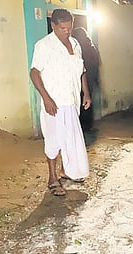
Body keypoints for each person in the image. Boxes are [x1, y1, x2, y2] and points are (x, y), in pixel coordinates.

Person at [30, 9, 91, 196]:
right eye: (62, 28)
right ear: (53, 25)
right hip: (54, 103)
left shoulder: (75, 43)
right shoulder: (44, 45)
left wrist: (85, 94)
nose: (66, 31)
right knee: (53, 140)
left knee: (70, 138)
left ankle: (67, 171)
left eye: (69, 27)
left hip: (71, 100)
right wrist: (46, 98)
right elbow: (34, 72)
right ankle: (52, 178)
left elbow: (81, 71)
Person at [72, 27, 100, 131]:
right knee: (88, 99)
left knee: (80, 100)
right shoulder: (91, 48)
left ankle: (81, 124)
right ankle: (88, 123)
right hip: (90, 78)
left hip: (81, 78)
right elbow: (96, 64)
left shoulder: (76, 49)